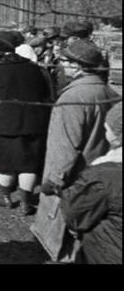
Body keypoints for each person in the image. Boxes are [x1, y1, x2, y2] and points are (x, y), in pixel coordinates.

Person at [31, 39, 118, 263]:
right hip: (100, 179)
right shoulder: (109, 92)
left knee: (65, 243)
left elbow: (65, 147)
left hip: (73, 182)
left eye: (65, 61)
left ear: (76, 66)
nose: (61, 65)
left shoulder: (72, 98)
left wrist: (53, 182)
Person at [0, 30, 52, 215]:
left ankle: (6, 198)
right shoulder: (35, 68)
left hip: (6, 125)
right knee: (29, 163)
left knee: (5, 163)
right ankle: (26, 202)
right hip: (34, 124)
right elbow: (46, 95)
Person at [60, 102, 122, 264]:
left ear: (117, 136)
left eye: (107, 128)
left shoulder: (102, 175)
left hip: (107, 252)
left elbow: (75, 214)